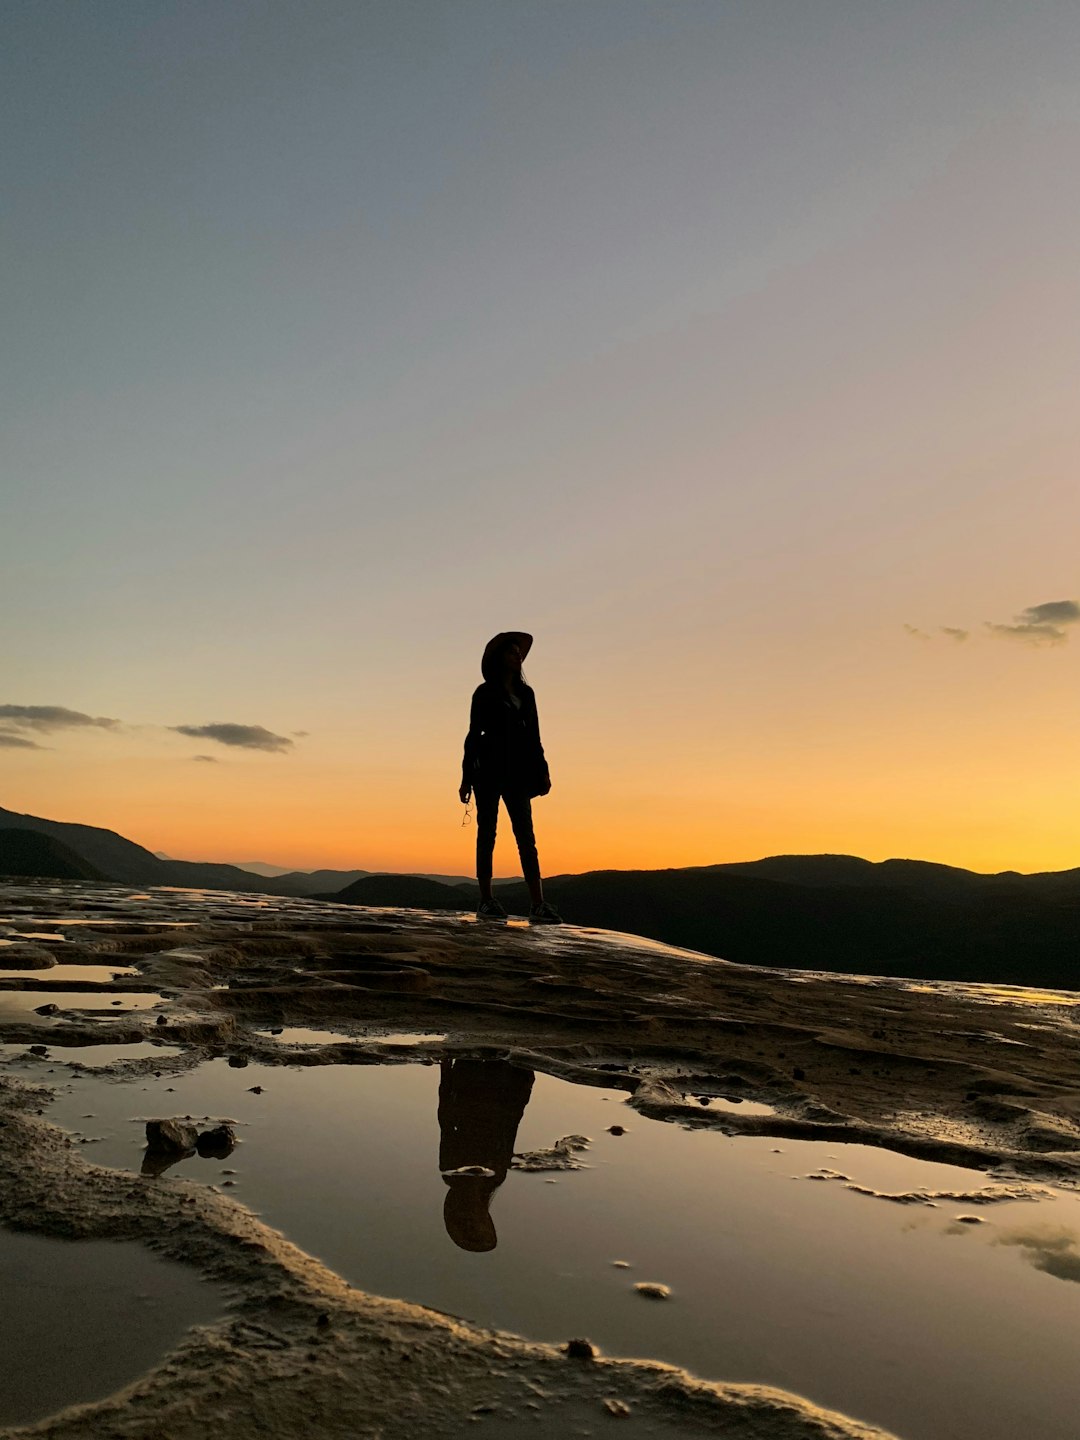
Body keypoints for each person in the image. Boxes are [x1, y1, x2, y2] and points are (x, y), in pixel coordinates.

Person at [459, 630, 562, 923]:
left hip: (517, 772)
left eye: (519, 652)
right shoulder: (484, 693)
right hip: (488, 771)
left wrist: (542, 769)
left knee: (526, 836)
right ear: (499, 659)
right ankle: (486, 900)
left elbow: (534, 736)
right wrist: (466, 776)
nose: (518, 656)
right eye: (511, 652)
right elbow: (473, 735)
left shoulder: (527, 694)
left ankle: (538, 904)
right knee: (487, 833)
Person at [438, 1058, 535, 1252]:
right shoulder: (494, 1177)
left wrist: (446, 1072)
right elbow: (510, 1127)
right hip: (501, 1091)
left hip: (472, 1088)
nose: (472, 1211)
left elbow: (446, 1118)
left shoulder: (452, 1171)